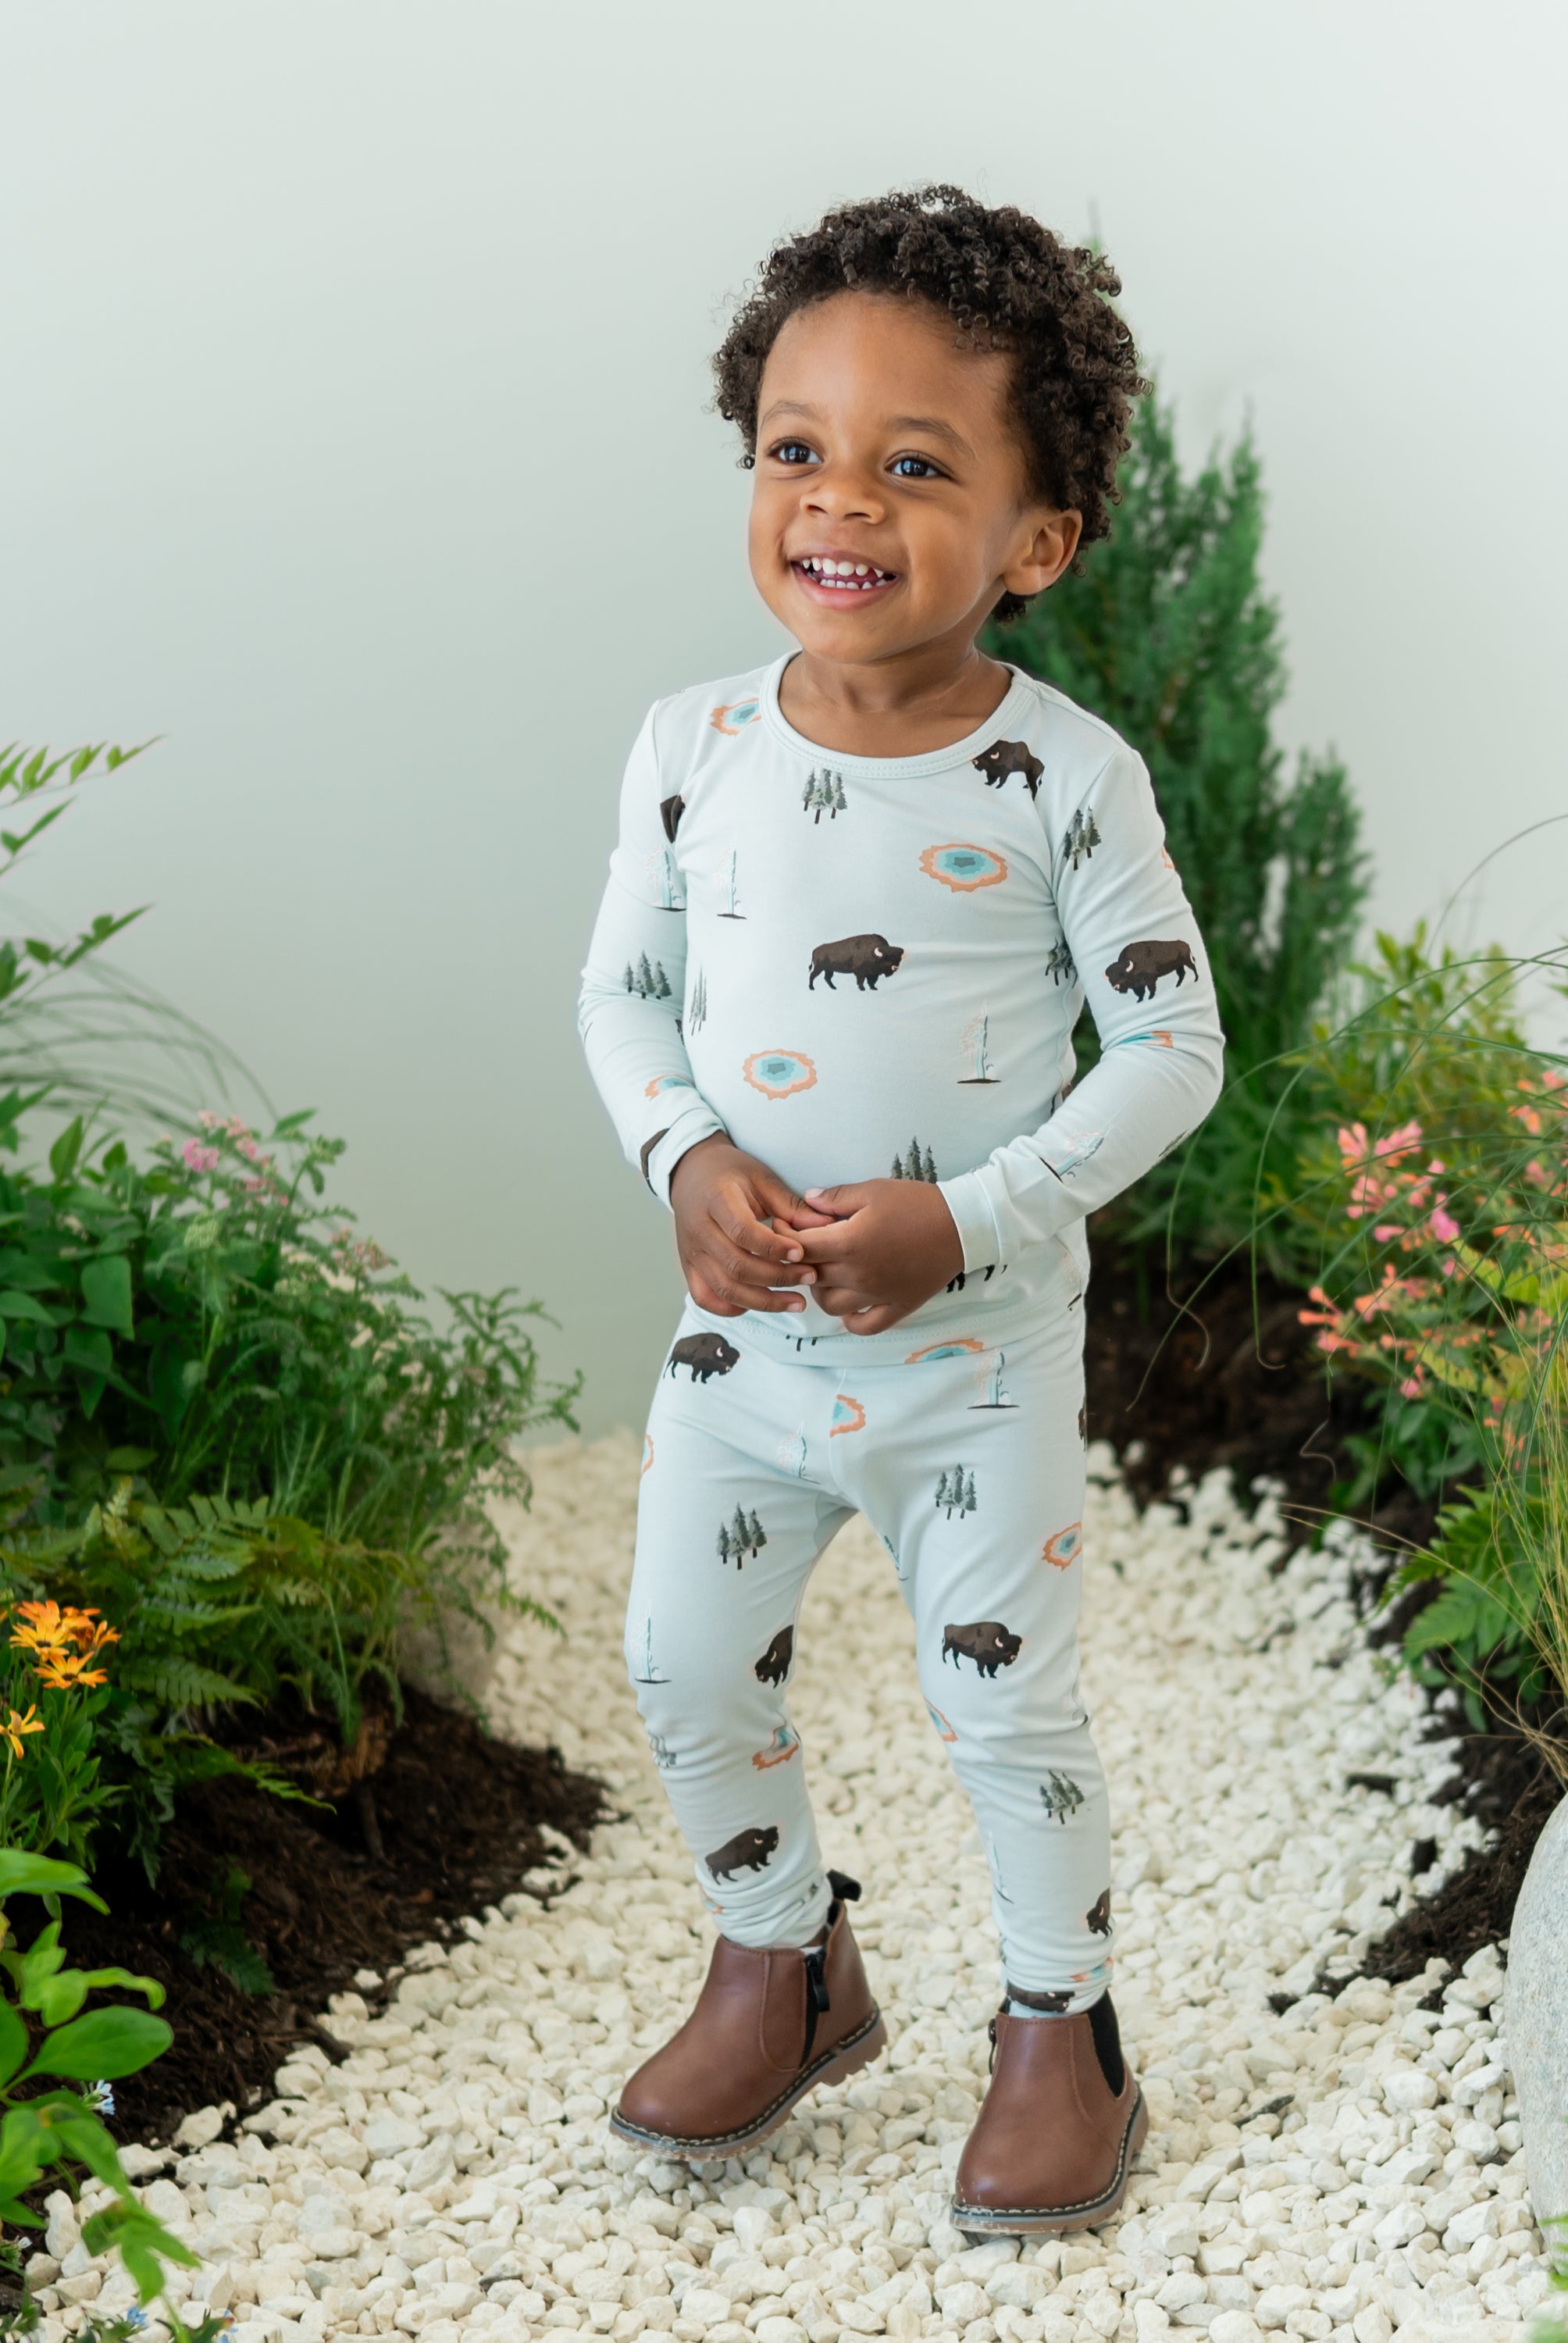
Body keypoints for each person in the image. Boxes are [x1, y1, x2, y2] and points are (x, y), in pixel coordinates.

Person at [575, 186, 1223, 2234]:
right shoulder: (687, 754)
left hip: (973, 1359)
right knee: (681, 1659)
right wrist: (684, 1155)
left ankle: (1065, 2025)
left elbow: (1171, 1055)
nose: (837, 501)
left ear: (1036, 544)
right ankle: (783, 1959)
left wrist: (976, 1218)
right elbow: (624, 995)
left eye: (914, 465)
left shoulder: (1068, 785)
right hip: (743, 1348)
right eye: (795, 448)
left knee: (999, 1696)